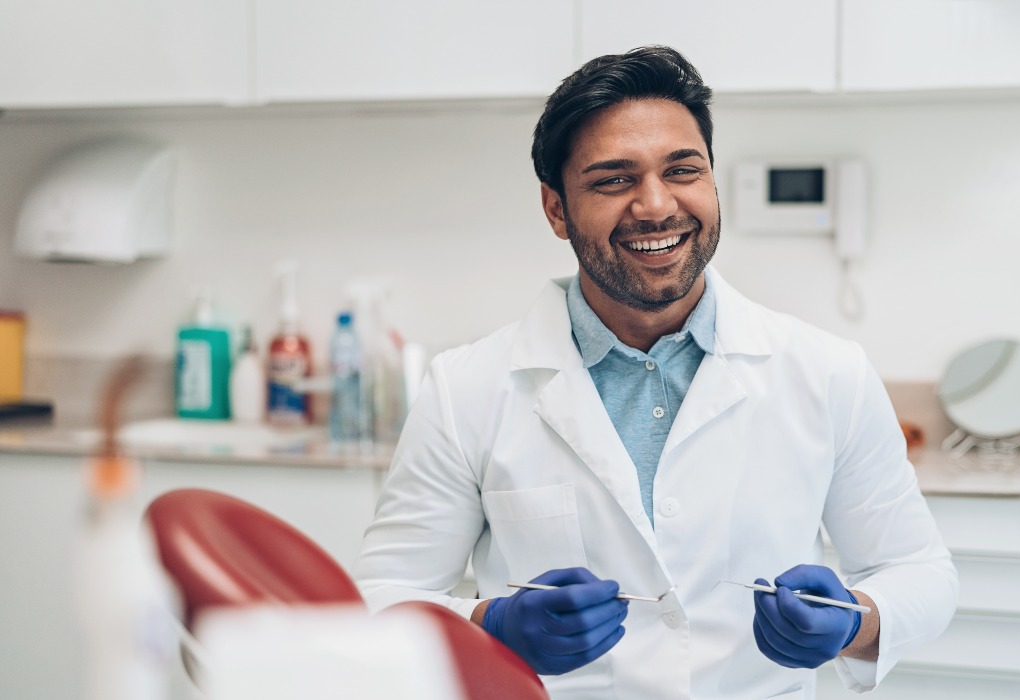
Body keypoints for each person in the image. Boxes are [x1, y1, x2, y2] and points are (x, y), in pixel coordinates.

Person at [354, 45, 958, 699]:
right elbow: (380, 595)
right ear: (556, 208)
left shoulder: (827, 372)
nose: (655, 204)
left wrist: (855, 622)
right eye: (614, 179)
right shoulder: (465, 389)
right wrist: (486, 624)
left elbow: (919, 572)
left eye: (683, 169)